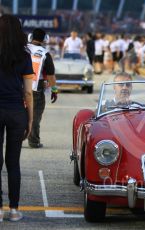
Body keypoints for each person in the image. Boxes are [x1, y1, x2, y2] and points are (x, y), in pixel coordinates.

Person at [0, 14, 34, 221]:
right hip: (16, 112)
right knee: (13, 163)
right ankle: (13, 210)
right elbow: (28, 93)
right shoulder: (24, 56)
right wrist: (30, 120)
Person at [27, 28, 57, 148]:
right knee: (35, 115)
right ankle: (34, 141)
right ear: (45, 40)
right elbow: (51, 76)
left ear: (30, 37)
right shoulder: (45, 54)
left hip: (18, 86)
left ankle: (15, 139)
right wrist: (54, 90)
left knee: (17, 113)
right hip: (36, 87)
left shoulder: (21, 49)